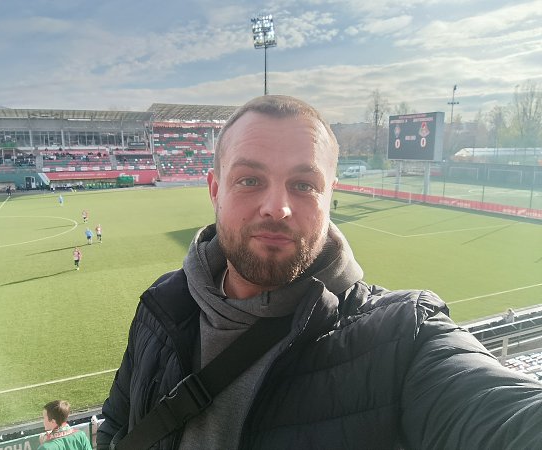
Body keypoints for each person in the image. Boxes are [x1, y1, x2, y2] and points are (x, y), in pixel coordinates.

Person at [97, 95, 542, 450]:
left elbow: (504, 415)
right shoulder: (162, 304)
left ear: (331, 197)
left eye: (304, 185)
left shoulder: (403, 337)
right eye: (249, 180)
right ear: (215, 190)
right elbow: (118, 424)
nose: (277, 207)